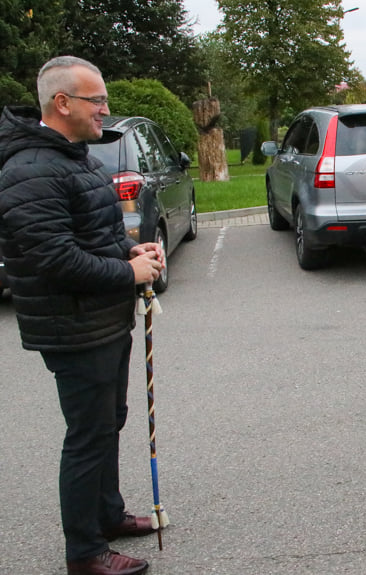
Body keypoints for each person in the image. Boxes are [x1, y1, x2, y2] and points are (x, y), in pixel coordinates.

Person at [0, 56, 164, 575]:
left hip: (102, 318)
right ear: (62, 102)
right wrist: (127, 275)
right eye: (97, 100)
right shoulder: (30, 168)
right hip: (74, 325)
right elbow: (54, 258)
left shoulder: (73, 157)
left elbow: (96, 236)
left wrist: (131, 255)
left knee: (108, 422)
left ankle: (108, 516)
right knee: (88, 436)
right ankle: (85, 553)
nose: (105, 110)